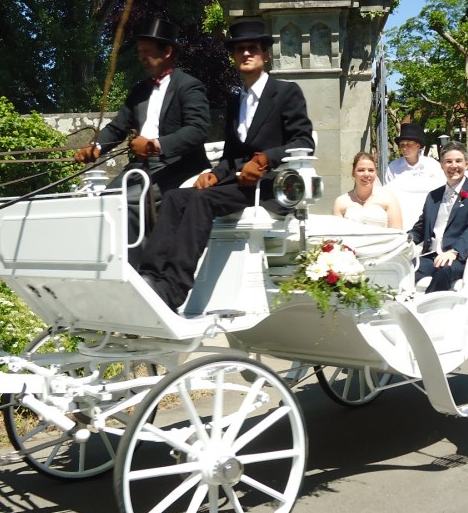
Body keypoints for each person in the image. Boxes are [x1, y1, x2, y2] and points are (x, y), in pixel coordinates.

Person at [137, 18, 315, 312]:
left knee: (200, 201)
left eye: (252, 48)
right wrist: (213, 174)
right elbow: (231, 156)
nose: (246, 53)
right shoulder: (235, 102)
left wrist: (264, 159)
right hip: (236, 186)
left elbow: (304, 141)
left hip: (269, 186)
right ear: (233, 56)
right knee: (175, 197)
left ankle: (173, 289)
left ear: (265, 54)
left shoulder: (286, 92)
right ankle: (149, 276)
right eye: (239, 49)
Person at [74, 19, 209, 259]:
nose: (141, 57)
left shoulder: (189, 86)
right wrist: (96, 147)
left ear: (167, 52)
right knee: (105, 203)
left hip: (177, 166)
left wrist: (155, 145)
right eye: (139, 52)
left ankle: (135, 269)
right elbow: (117, 127)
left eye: (147, 51)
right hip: (141, 167)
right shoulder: (139, 91)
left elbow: (198, 129)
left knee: (123, 204)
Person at [409, 141, 468, 293]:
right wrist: (400, 242)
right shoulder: (433, 196)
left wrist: (454, 251)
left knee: (444, 269)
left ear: (467, 164)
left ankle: (430, 306)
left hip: (459, 258)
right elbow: (420, 228)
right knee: (403, 269)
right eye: (448, 162)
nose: (453, 166)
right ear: (442, 165)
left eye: (458, 161)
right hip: (431, 256)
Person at [334, 151, 402, 229]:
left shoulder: (388, 198)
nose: (366, 174)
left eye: (371, 170)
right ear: (353, 173)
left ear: (376, 173)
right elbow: (337, 233)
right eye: (361, 170)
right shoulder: (340, 202)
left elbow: (397, 231)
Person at [383, 122, 444, 187]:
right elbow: (387, 189)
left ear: (418, 146)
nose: (404, 148)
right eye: (402, 145)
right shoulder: (393, 167)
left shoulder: (432, 165)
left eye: (408, 144)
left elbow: (441, 187)